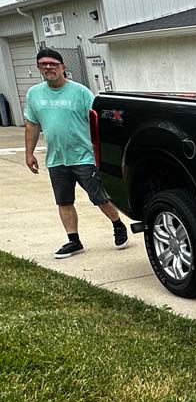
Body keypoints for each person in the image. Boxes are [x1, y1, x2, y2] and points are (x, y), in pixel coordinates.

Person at [23, 48, 129, 258]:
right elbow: (32, 125)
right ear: (39, 68)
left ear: (63, 67)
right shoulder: (34, 94)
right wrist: (29, 153)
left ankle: (118, 224)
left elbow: (96, 123)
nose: (48, 67)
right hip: (56, 159)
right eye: (43, 64)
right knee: (64, 201)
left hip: (84, 157)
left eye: (53, 63)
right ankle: (74, 241)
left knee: (99, 198)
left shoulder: (80, 92)